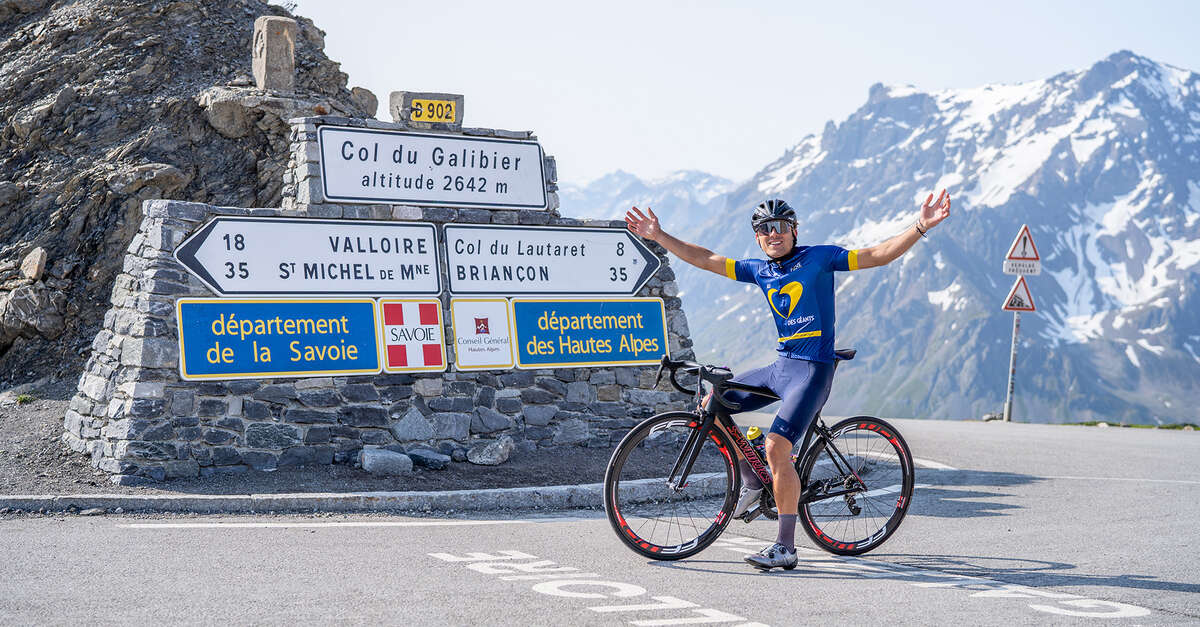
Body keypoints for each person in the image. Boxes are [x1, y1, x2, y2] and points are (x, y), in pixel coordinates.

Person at [625, 191, 951, 570]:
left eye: (780, 227)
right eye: (764, 229)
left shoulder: (819, 258)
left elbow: (877, 255)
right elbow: (708, 259)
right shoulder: (762, 270)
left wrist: (920, 226)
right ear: (758, 237)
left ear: (794, 230)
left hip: (812, 370)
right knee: (712, 401)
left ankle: (785, 547)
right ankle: (750, 481)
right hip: (782, 367)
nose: (773, 234)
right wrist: (660, 236)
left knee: (777, 447)